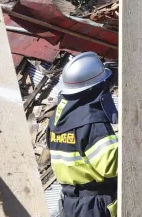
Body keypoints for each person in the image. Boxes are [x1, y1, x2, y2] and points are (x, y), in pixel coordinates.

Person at [47, 52, 119, 217]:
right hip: (95, 204)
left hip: (71, 203)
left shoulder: (58, 118)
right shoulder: (92, 122)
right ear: (94, 88)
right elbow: (112, 167)